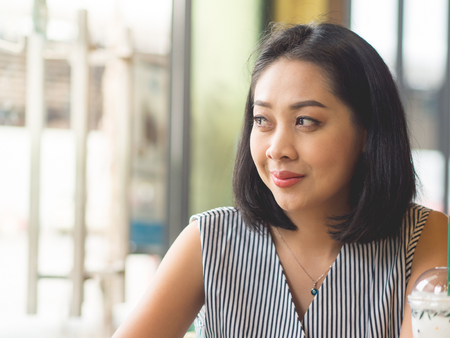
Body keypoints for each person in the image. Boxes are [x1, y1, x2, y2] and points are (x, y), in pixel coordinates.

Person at [112, 23, 448, 338]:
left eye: (305, 120)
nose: (277, 149)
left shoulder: (425, 238)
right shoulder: (209, 243)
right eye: (262, 120)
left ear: (366, 132)